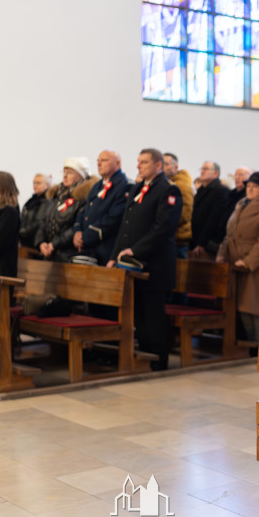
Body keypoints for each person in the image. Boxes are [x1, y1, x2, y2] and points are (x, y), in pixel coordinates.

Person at [108, 149, 183, 371]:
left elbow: (163, 228)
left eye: (144, 162)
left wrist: (136, 250)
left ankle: (158, 361)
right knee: (139, 314)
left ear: (159, 165)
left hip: (156, 265)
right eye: (138, 161)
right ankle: (144, 358)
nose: (139, 165)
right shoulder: (139, 187)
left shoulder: (169, 189)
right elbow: (126, 227)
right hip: (134, 266)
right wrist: (114, 256)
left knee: (153, 316)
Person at [216, 171, 259, 350]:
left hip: (256, 265)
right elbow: (229, 234)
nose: (250, 190)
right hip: (234, 263)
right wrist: (222, 254)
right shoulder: (241, 205)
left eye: (255, 187)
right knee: (236, 304)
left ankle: (257, 347)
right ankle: (239, 345)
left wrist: (248, 261)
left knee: (251, 306)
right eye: (249, 186)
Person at [73, 150, 130, 265]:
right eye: (98, 160)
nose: (99, 163)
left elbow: (114, 218)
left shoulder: (124, 185)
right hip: (88, 247)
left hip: (105, 249)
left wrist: (85, 237)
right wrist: (77, 232)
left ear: (118, 164)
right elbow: (84, 211)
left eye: (104, 160)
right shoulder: (97, 186)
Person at [35, 157, 96, 263]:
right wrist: (41, 242)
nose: (65, 175)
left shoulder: (83, 198)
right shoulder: (58, 195)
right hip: (50, 253)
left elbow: (74, 227)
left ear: (81, 176)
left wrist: (54, 244)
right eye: (64, 172)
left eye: (70, 172)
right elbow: (44, 221)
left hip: (67, 255)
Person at [190, 161, 230, 258]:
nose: (202, 171)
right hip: (194, 241)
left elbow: (214, 220)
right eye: (201, 169)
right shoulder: (201, 191)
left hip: (207, 244)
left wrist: (201, 243)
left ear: (216, 173)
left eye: (206, 169)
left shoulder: (221, 191)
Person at [163, 152, 194, 258]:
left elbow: (185, 213)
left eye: (166, 164)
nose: (163, 167)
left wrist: (164, 223)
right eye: (161, 163)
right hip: (167, 236)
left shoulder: (182, 185)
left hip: (178, 239)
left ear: (175, 167)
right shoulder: (166, 183)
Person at [19, 173, 50, 249]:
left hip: (35, 242)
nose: (35, 185)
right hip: (24, 240)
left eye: (38, 183)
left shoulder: (47, 201)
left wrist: (22, 232)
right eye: (34, 183)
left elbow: (39, 222)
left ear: (47, 185)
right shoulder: (30, 201)